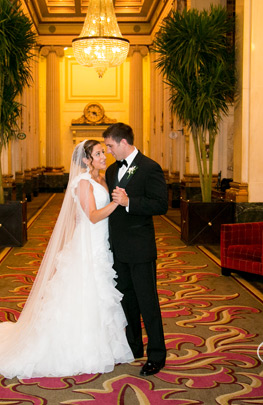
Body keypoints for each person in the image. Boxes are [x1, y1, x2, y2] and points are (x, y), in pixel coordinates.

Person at [0, 140, 134, 379]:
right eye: (98, 153)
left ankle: (102, 346)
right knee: (86, 294)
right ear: (86, 159)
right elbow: (92, 216)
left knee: (99, 295)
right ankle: (75, 348)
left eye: (104, 152)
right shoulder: (83, 183)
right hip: (89, 246)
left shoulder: (101, 178)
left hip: (99, 244)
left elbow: (77, 219)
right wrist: (116, 202)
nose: (104, 156)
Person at [103, 123, 168, 376]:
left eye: (110, 146)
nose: (108, 151)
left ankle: (157, 354)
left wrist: (131, 202)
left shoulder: (150, 167)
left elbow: (160, 204)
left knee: (147, 302)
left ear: (123, 143)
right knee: (126, 301)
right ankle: (133, 346)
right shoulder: (111, 171)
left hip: (141, 249)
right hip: (117, 249)